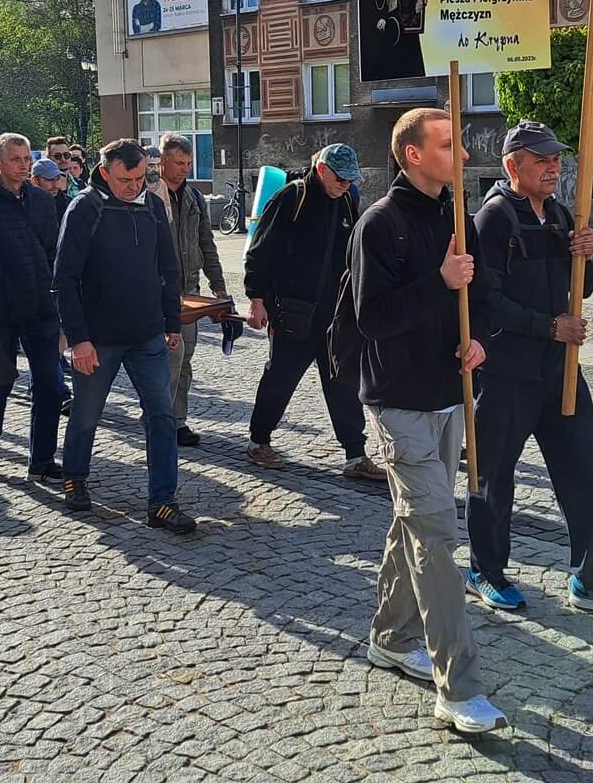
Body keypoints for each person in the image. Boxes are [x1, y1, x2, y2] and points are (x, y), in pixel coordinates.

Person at [352, 107, 506, 735]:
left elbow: (478, 294)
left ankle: (390, 636)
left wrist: (479, 340)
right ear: (412, 155)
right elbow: (372, 318)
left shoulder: (455, 215)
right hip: (399, 402)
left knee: (413, 524)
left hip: (448, 394)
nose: (462, 155)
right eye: (448, 145)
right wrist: (438, 282)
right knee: (439, 538)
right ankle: (458, 686)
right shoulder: (377, 225)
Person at [466, 122, 593, 617]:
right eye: (541, 159)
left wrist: (587, 257)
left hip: (561, 373)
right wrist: (549, 328)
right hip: (505, 373)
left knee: (587, 471)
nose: (554, 167)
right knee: (493, 476)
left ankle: (592, 581)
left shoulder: (563, 214)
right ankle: (486, 570)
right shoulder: (494, 220)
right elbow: (487, 304)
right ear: (512, 165)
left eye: (556, 159)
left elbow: (580, 290)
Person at [53, 139, 194, 532]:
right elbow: (64, 280)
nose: (133, 186)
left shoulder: (151, 206)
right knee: (86, 413)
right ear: (104, 172)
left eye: (139, 177)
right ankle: (75, 476)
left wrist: (171, 323)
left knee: (162, 415)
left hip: (147, 333)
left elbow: (169, 269)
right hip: (98, 339)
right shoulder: (85, 208)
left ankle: (162, 502)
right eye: (124, 179)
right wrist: (78, 339)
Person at [243, 144, 382, 480]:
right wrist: (256, 299)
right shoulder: (291, 198)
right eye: (340, 178)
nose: (346, 184)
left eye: (351, 179)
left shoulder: (349, 199)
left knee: (343, 382)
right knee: (281, 377)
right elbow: (260, 252)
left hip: (334, 313)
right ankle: (258, 440)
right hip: (292, 309)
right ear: (321, 170)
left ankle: (354, 455)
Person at [0, 134, 64, 479]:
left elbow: (53, 254)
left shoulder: (41, 200)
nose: (23, 165)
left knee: (50, 385)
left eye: (26, 159)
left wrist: (59, 300)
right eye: (16, 159)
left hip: (41, 308)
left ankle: (42, 459)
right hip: (1, 312)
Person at [146, 133, 226, 449]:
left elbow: (206, 243)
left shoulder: (193, 197)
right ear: (162, 162)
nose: (185, 169)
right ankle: (160, 419)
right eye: (179, 163)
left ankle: (176, 421)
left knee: (185, 359)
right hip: (159, 292)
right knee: (170, 358)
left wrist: (218, 286)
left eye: (189, 163)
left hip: (189, 290)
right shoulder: (149, 195)